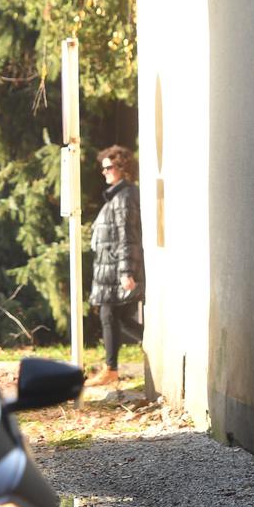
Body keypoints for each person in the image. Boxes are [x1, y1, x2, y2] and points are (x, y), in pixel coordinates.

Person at [88, 145, 145, 387]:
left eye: (109, 168)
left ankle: (110, 369)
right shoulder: (117, 196)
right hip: (108, 270)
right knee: (118, 318)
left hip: (115, 271)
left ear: (123, 168)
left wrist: (126, 271)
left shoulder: (124, 197)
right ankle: (151, 344)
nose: (105, 172)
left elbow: (127, 235)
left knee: (109, 314)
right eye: (104, 169)